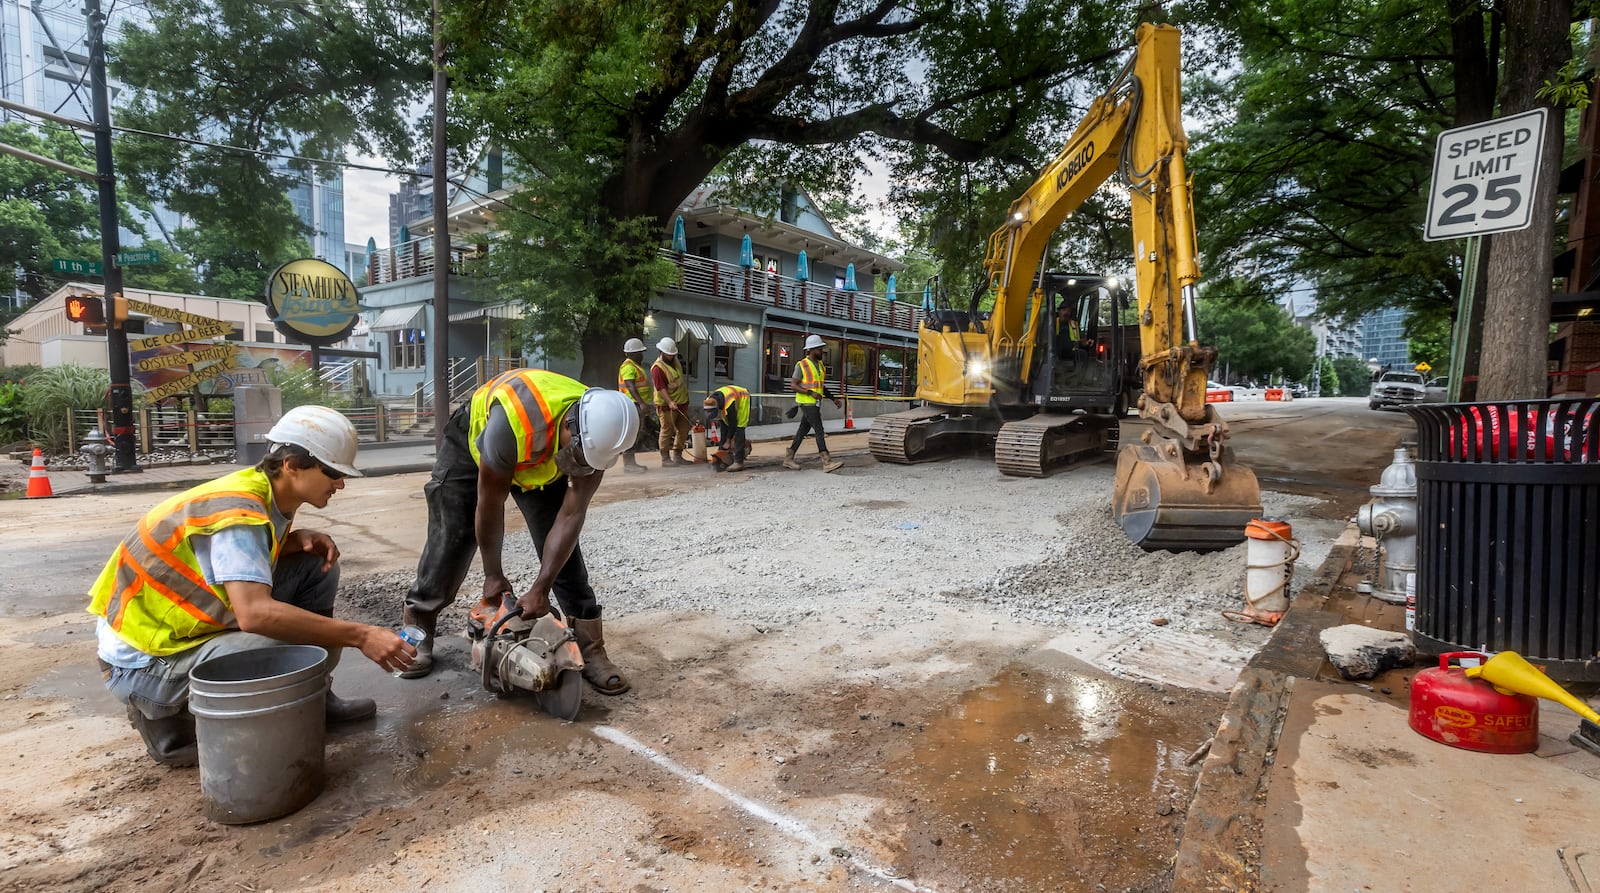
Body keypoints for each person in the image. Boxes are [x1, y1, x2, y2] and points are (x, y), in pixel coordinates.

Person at [87, 405, 414, 768]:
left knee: (313, 567)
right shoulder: (239, 514)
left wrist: (290, 541)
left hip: (172, 634)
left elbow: (223, 563)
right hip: (145, 666)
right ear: (291, 464)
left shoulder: (264, 493)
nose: (340, 483)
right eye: (333, 472)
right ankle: (167, 725)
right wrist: (362, 635)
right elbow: (255, 614)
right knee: (290, 643)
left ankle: (315, 698)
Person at [398, 369, 640, 696]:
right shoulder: (511, 428)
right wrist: (493, 575)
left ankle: (590, 645)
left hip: (539, 452)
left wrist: (541, 588)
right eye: (581, 456)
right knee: (452, 535)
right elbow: (489, 503)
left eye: (592, 462)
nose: (584, 467)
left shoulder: (598, 439)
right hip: (476, 441)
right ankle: (419, 621)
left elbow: (570, 516)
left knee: (564, 557)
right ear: (571, 426)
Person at [784, 334, 844, 473]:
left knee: (802, 430)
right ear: (811, 350)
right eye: (819, 349)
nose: (822, 351)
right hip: (807, 403)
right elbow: (793, 385)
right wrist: (810, 393)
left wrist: (833, 398)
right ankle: (826, 461)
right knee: (819, 429)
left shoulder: (820, 365)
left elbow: (821, 386)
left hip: (815, 403)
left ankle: (789, 458)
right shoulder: (802, 365)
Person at [617, 337, 655, 474]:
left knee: (635, 434)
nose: (642, 355)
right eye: (640, 352)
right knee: (631, 434)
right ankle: (628, 464)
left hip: (636, 405)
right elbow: (630, 386)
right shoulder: (628, 367)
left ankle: (631, 463)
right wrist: (642, 403)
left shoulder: (634, 366)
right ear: (632, 354)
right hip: (633, 405)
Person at [651, 336, 691, 465]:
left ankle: (678, 455)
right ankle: (665, 459)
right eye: (669, 354)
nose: (671, 356)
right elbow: (661, 388)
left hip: (681, 403)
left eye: (673, 354)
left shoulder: (675, 361)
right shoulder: (657, 369)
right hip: (666, 405)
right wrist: (669, 402)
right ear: (662, 352)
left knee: (684, 429)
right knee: (667, 430)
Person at [703, 384, 751, 472]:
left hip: (743, 397)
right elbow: (724, 425)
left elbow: (733, 423)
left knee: (740, 428)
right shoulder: (709, 401)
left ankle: (738, 461)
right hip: (726, 400)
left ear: (717, 407)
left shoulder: (729, 403)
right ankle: (723, 453)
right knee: (723, 426)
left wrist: (729, 440)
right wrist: (723, 445)